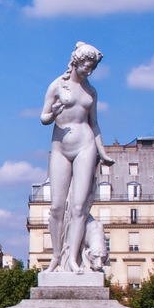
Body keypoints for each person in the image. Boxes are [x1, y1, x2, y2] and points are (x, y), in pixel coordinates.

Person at [40, 41, 114, 273]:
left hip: (86, 145)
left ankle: (72, 257)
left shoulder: (91, 91)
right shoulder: (57, 85)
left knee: (79, 207)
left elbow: (94, 124)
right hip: (61, 146)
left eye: (92, 68)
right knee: (56, 207)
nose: (88, 71)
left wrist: (102, 151)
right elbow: (43, 117)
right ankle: (55, 256)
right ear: (76, 62)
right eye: (86, 66)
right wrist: (53, 113)